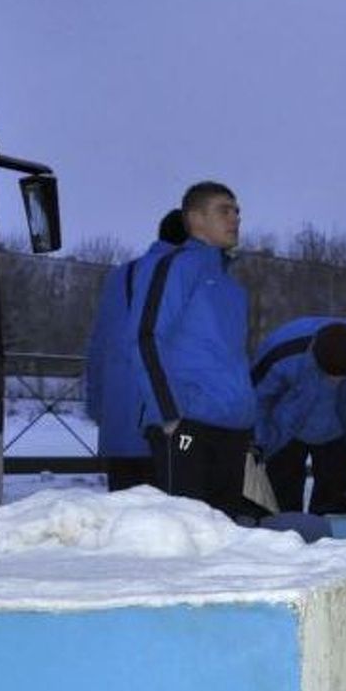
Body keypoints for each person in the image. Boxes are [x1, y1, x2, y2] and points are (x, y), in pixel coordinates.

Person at [133, 181, 257, 516]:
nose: (235, 219)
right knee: (186, 536)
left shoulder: (232, 288)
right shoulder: (175, 267)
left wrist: (249, 419)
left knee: (223, 535)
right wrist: (168, 415)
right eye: (224, 210)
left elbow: (231, 358)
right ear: (195, 219)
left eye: (237, 212)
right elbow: (146, 336)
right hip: (187, 426)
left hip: (233, 429)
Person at [84, 209, 187, 491]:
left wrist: (98, 408)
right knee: (180, 523)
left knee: (126, 521)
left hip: (119, 425)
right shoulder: (189, 277)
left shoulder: (120, 276)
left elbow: (97, 346)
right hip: (172, 428)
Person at [251, 317, 346, 514]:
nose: (335, 383)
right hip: (283, 433)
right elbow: (256, 401)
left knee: (332, 511)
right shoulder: (283, 353)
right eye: (329, 376)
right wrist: (257, 443)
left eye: (343, 378)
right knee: (279, 507)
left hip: (341, 434)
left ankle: (325, 539)